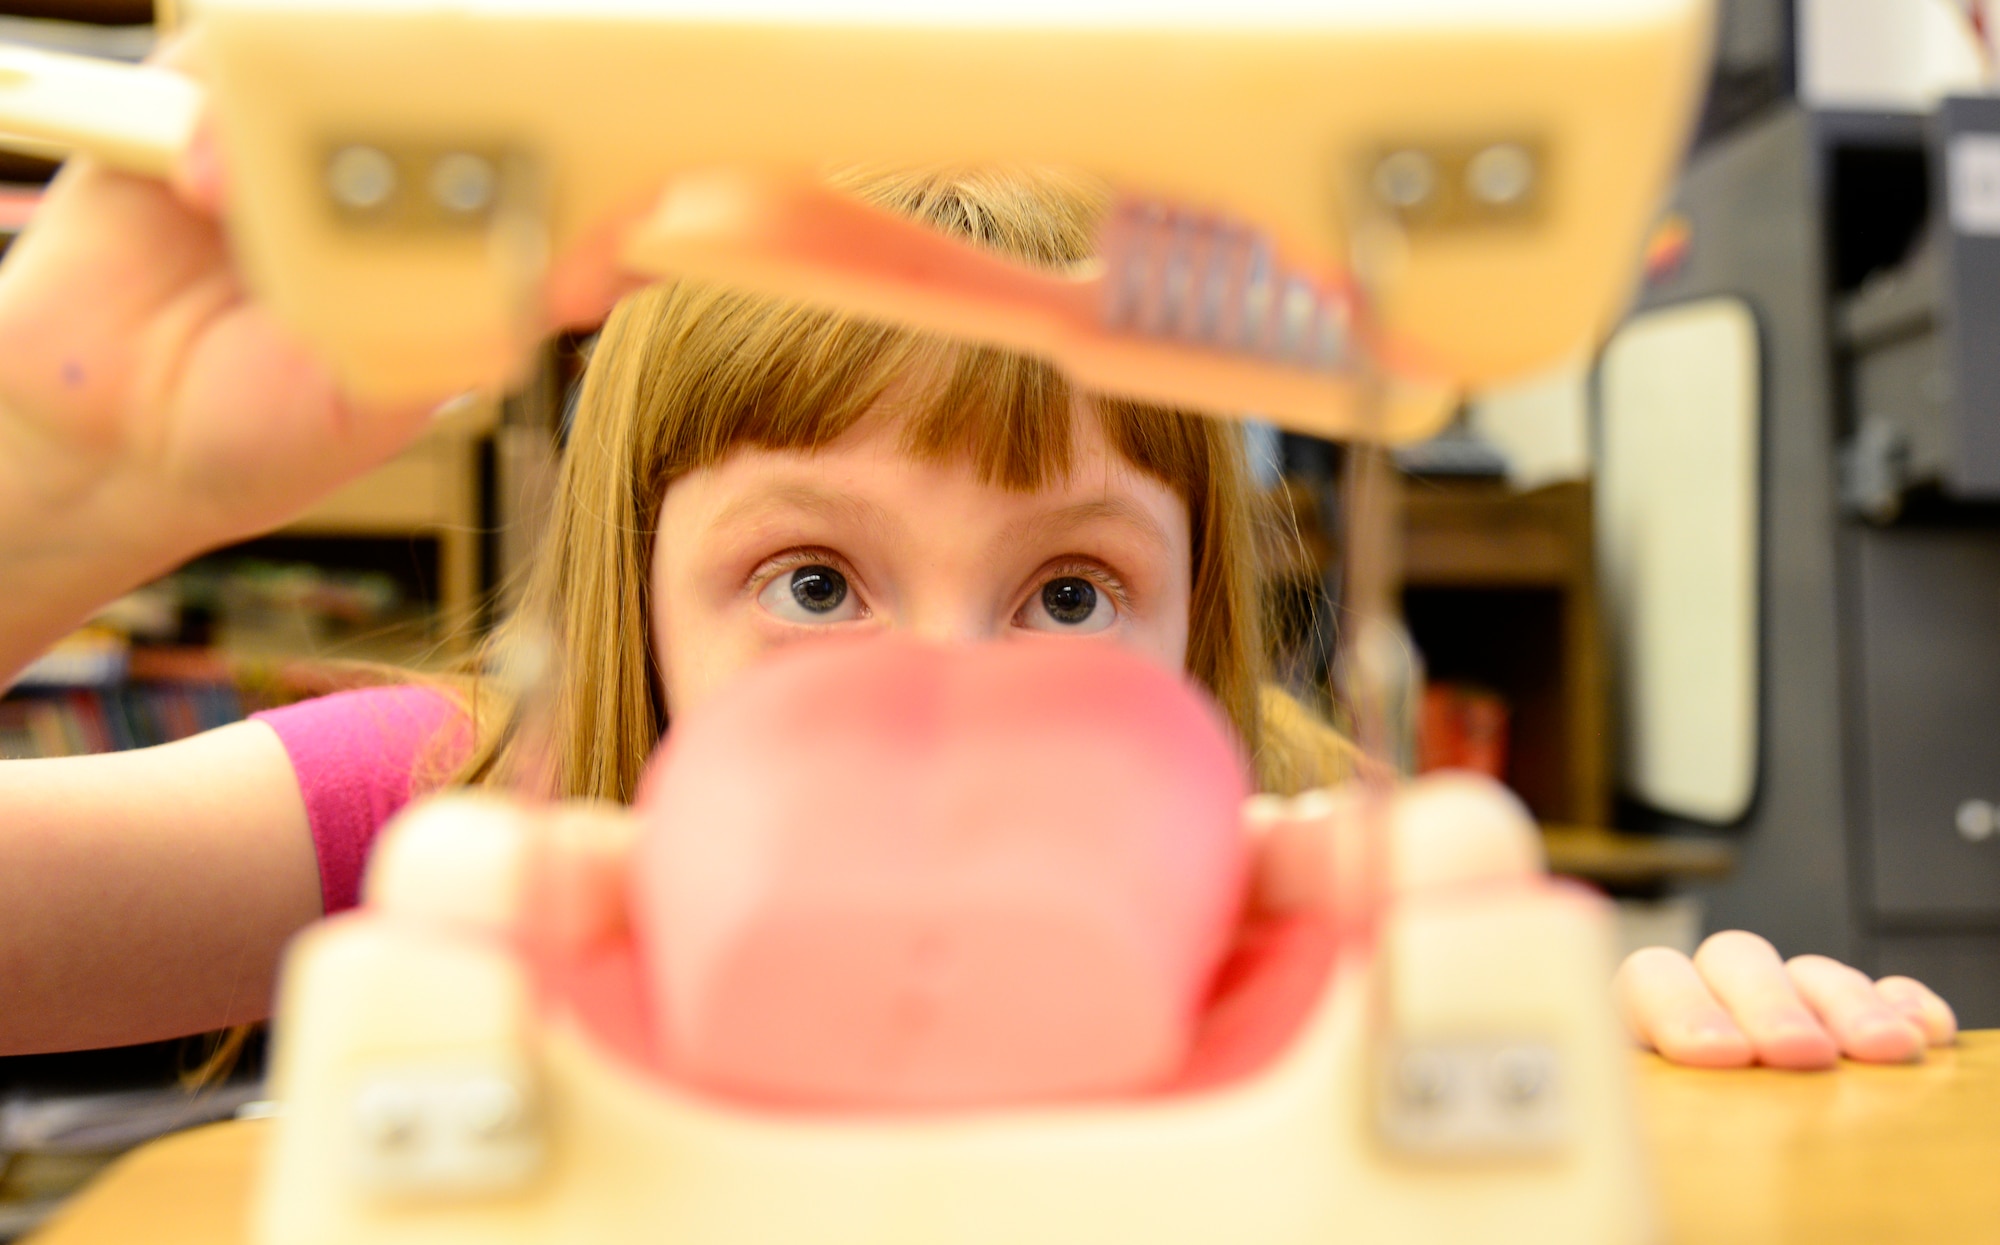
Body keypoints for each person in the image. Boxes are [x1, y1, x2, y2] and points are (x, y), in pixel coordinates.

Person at [0, 130, 1954, 1071]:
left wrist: (1683, 1046)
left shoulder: (1299, 866)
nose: (943, 692)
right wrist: (50, 491)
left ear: (1196, 609)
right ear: (635, 576)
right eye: (818, 576)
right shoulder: (448, 802)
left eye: (1072, 589)